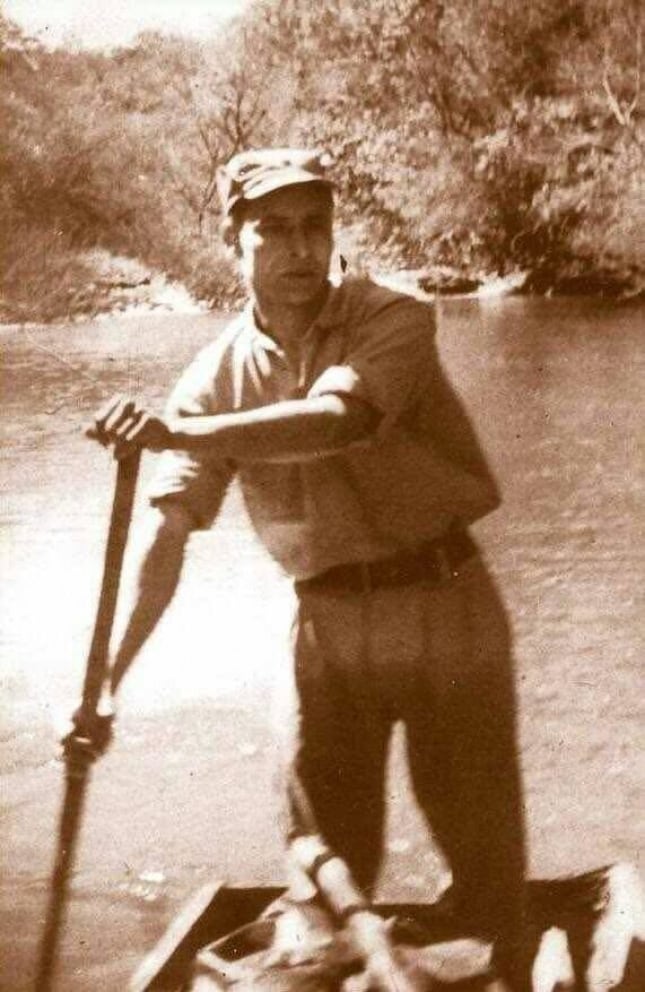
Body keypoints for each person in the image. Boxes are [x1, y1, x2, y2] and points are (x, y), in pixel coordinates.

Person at [76, 148, 532, 988]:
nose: (297, 250)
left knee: (485, 867)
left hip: (443, 601)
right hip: (321, 623)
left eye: (313, 228)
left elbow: (337, 420)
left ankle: (487, 944)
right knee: (322, 874)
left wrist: (176, 436)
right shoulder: (211, 378)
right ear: (231, 240)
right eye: (271, 231)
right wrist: (108, 680)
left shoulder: (393, 315)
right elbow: (167, 535)